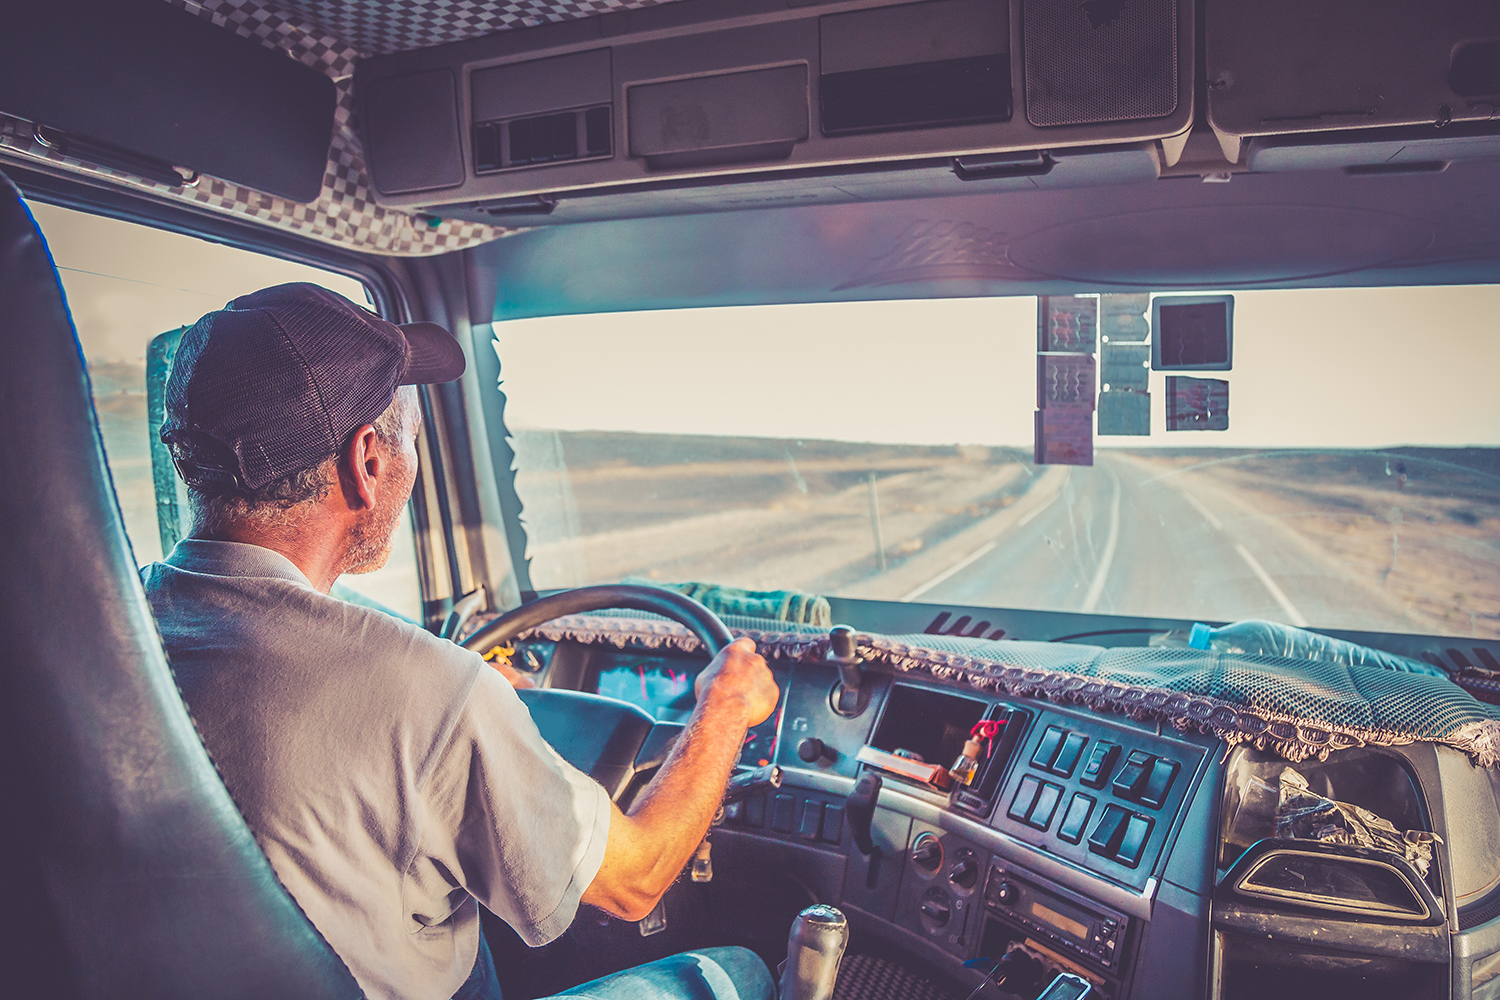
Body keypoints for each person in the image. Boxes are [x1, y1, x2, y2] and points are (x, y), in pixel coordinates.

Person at [141, 283, 780, 1000]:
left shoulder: (113, 627)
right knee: (741, 973)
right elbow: (634, 882)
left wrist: (460, 700)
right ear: (369, 463)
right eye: (411, 442)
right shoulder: (431, 694)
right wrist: (726, 706)